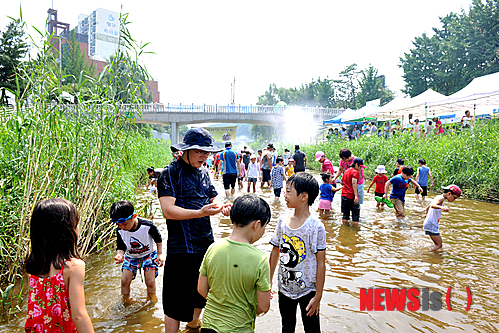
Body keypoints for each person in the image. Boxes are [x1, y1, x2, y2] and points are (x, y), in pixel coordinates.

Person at [157, 128, 232, 333]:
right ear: (185, 150)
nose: (203, 156)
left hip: (205, 244)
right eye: (199, 151)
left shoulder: (204, 173)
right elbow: (168, 210)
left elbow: (213, 197)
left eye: (206, 152)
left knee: (201, 292)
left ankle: (193, 326)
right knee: (175, 299)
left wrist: (220, 206)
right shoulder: (169, 173)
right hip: (181, 246)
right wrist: (200, 212)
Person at [198, 195, 271, 333]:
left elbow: (202, 289)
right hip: (239, 328)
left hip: (208, 325)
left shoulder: (213, 248)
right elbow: (263, 307)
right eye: (264, 226)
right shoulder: (260, 259)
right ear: (257, 225)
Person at [24, 199, 94, 333]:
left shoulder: (34, 264)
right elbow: (79, 315)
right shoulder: (74, 266)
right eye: (76, 223)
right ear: (66, 231)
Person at [269, 173, 324, 333]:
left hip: (308, 290)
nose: (284, 195)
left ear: (304, 196)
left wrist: (318, 295)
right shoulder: (282, 222)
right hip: (284, 287)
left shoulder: (316, 227)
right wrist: (268, 282)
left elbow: (321, 263)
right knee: (287, 327)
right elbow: (274, 253)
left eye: (288, 191)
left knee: (312, 329)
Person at [111, 200, 164, 301]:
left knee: (150, 282)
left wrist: (160, 254)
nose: (122, 227)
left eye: (125, 224)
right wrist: (119, 255)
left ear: (134, 216)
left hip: (148, 255)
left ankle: (151, 301)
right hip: (131, 257)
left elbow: (158, 239)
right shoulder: (120, 230)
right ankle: (125, 302)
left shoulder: (147, 226)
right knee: (124, 281)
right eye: (119, 225)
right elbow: (121, 247)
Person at [423, 185, 461, 251]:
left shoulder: (439, 197)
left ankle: (430, 253)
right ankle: (425, 253)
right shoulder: (441, 198)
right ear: (449, 193)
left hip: (431, 223)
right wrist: (442, 207)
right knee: (439, 245)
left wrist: (427, 213)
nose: (454, 200)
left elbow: (428, 207)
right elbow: (432, 205)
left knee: (439, 244)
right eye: (454, 198)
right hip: (432, 224)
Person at [341, 157, 364, 226]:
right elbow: (354, 183)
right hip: (351, 196)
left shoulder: (346, 171)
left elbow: (342, 182)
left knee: (345, 215)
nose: (360, 168)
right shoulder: (355, 172)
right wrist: (356, 196)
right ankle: (355, 233)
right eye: (360, 166)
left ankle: (344, 230)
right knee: (355, 217)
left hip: (344, 196)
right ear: (356, 165)